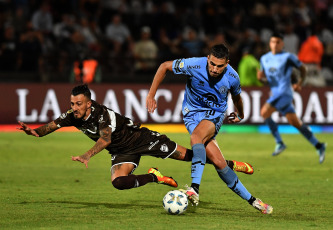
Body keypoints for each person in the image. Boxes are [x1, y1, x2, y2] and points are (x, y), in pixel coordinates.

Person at [18, 84, 254, 197]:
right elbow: (51, 126)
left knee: (190, 156)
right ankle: (155, 176)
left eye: (78, 104)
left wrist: (87, 155)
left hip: (141, 139)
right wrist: (35, 132)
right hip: (122, 153)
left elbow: (105, 140)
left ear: (89, 103)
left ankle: (230, 164)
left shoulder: (103, 115)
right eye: (72, 104)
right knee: (118, 183)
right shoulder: (72, 116)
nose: (74, 108)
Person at [146, 44, 273, 214]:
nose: (214, 69)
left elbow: (237, 98)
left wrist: (240, 114)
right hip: (191, 115)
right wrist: (151, 95)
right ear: (208, 58)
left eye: (219, 66)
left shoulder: (232, 77)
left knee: (196, 137)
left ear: (226, 63)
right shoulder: (193, 64)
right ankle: (254, 201)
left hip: (214, 115)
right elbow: (164, 66)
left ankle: (194, 189)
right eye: (212, 64)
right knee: (220, 164)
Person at [257, 32, 326, 163]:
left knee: (264, 112)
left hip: (285, 93)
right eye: (273, 42)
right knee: (296, 123)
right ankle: (319, 145)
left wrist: (299, 83)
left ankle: (279, 142)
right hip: (276, 93)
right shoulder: (264, 58)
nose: (275, 45)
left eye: (278, 42)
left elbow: (303, 69)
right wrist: (261, 79)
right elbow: (266, 80)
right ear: (269, 43)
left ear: (282, 44)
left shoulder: (288, 57)